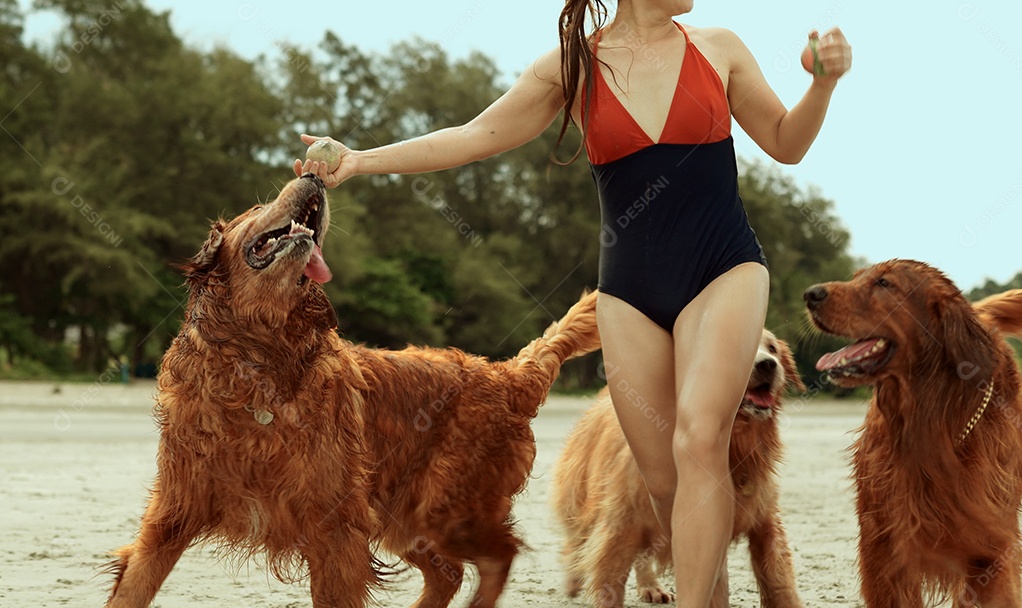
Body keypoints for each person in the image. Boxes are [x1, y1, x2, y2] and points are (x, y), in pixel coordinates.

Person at [294, 1, 851, 605]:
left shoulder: (720, 48)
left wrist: (820, 84)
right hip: (630, 288)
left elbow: (785, 143)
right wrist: (359, 160)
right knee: (666, 481)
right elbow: (475, 136)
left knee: (698, 439)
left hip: (724, 268)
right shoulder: (572, 68)